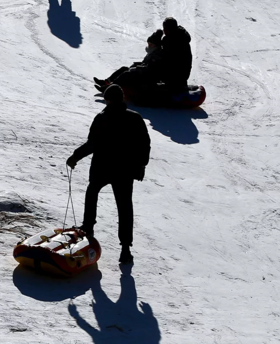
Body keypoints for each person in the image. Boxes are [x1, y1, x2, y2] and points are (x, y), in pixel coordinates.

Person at [66, 85, 151, 264]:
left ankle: (88, 227)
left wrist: (75, 157)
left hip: (102, 167)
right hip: (125, 170)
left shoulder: (102, 118)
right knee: (124, 207)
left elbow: (92, 144)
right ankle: (125, 249)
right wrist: (141, 165)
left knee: (92, 192)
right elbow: (144, 144)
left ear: (108, 99)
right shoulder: (135, 118)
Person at [95, 30, 164, 93]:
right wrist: (136, 65)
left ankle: (109, 89)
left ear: (156, 45)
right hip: (143, 73)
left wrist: (136, 68)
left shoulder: (157, 55)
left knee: (126, 74)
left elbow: (149, 68)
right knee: (124, 68)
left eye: (151, 44)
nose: (149, 46)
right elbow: (144, 63)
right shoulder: (152, 52)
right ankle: (106, 82)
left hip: (148, 77)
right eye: (148, 43)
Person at [159, 17, 192, 90]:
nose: (164, 31)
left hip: (177, 74)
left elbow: (166, 57)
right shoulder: (178, 37)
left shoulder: (175, 40)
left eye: (165, 28)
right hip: (180, 73)